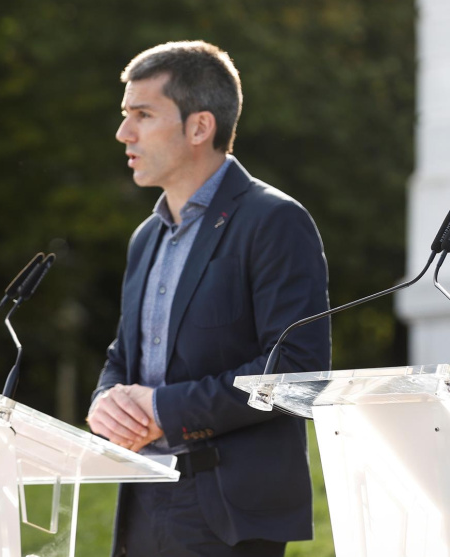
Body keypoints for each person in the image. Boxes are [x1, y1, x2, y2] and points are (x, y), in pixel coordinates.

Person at [86, 41, 331, 557]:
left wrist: (163, 408)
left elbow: (296, 372)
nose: (123, 132)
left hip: (228, 514)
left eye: (142, 115)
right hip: (142, 500)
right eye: (125, 114)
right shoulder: (145, 237)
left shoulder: (274, 221)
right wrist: (106, 402)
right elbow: (124, 357)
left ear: (199, 127)